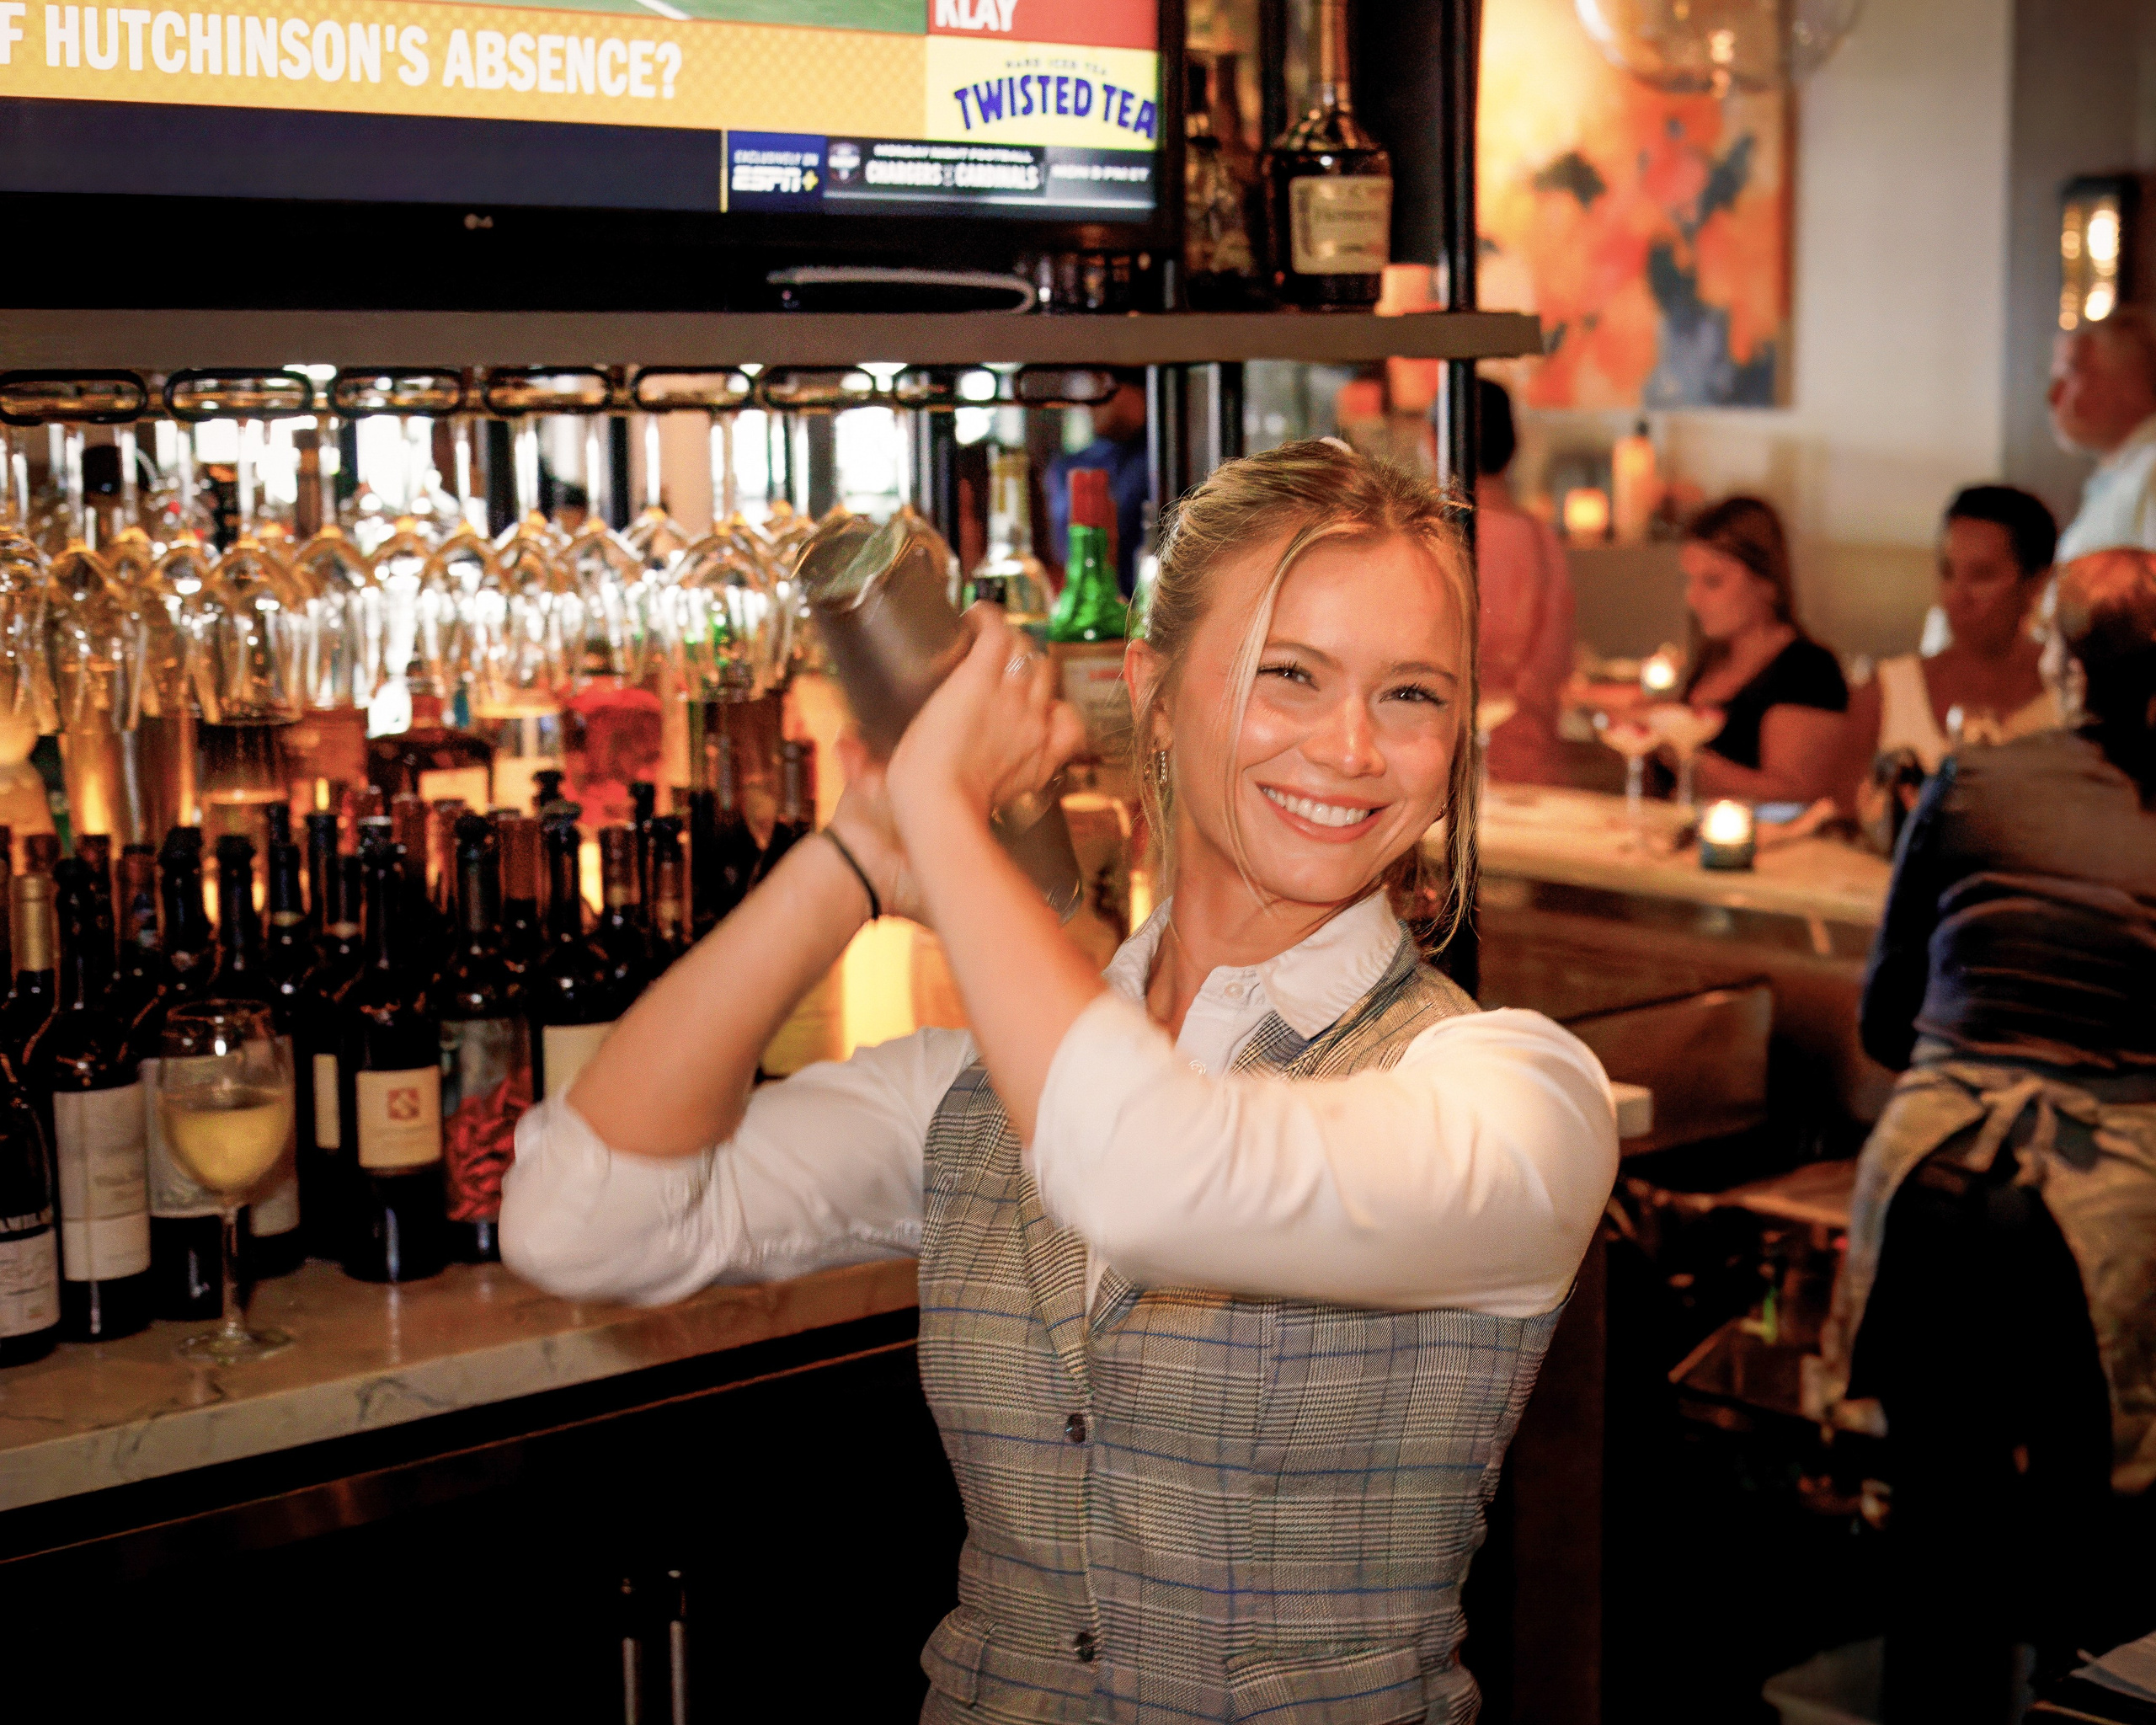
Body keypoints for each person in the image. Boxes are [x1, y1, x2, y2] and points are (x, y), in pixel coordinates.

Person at [500, 441, 1619, 1722]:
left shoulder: (1515, 1095)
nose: (1351, 747)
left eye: (1413, 695)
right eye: (1288, 674)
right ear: (1148, 691)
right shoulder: (976, 1093)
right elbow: (579, 1222)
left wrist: (935, 797)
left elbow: (1146, 1169)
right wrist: (856, 857)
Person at [1828, 547, 2156, 1722]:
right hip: (2100, 1207)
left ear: (2061, 661)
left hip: (1932, 1177)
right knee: (2096, 1541)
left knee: (1937, 1528)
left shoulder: (1971, 780)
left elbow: (1882, 1017)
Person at [1844, 484, 2061, 778]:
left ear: (2036, 582)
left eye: (1981, 576)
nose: (1957, 596)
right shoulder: (1886, 693)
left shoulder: (2068, 696)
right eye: (1948, 573)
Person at [1676, 495, 1848, 804]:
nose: (1693, 598)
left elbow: (1799, 796)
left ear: (1766, 583)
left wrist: (1686, 761)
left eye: (1713, 582)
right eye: (1690, 581)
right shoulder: (1713, 659)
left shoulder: (1807, 671)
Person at [1475, 379, 1576, 784]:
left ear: (1437, 440)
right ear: (1512, 447)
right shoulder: (1541, 539)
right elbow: (1556, 663)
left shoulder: (1429, 535)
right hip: (1530, 765)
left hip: (1444, 770)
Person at [2051, 306, 2156, 563]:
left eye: (2073, 371)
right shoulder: (2124, 472)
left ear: (2131, 379)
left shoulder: (2150, 472)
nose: (2054, 395)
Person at [1045, 368, 1149, 595]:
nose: (1090, 406)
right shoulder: (1070, 467)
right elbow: (1066, 551)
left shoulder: (1164, 460)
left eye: (1101, 389)